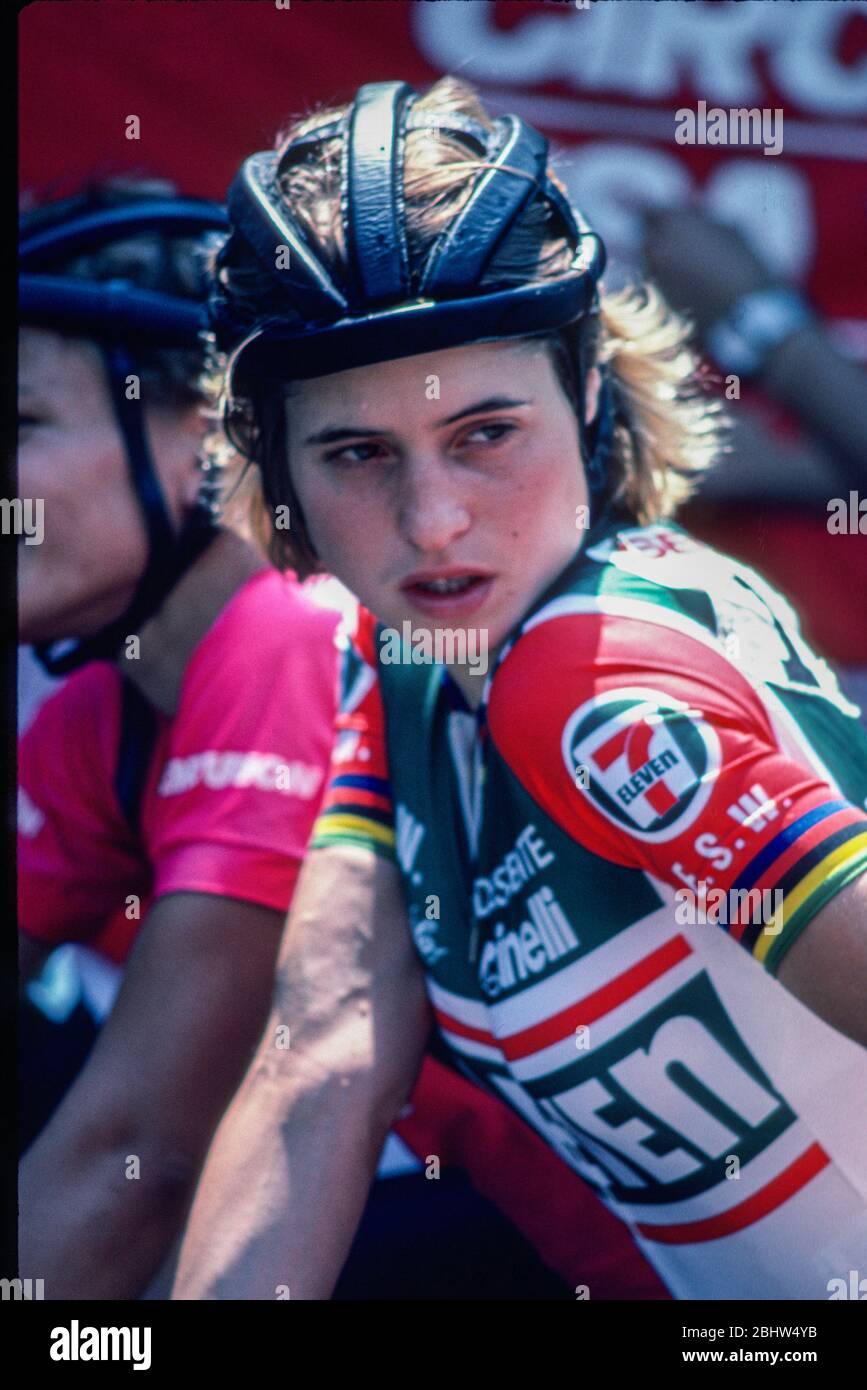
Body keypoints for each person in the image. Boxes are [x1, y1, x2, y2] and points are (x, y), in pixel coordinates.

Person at [174, 77, 867, 1302]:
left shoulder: (587, 680)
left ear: (587, 393)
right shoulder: (407, 661)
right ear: (274, 465)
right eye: (355, 452)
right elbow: (323, 1057)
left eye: (487, 432)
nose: (434, 523)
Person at [17, 182, 343, 1299]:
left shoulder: (294, 640)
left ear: (211, 434)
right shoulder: (97, 716)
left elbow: (132, 1160)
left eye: (18, 426)